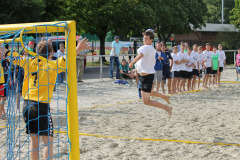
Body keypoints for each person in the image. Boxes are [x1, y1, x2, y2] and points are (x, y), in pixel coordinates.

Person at [3, 38, 89, 159]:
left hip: (26, 105)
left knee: (34, 141)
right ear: (52, 52)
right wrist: (77, 48)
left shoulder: (28, 61)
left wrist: (2, 47)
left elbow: (9, 54)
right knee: (48, 142)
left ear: (36, 52)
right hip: (41, 106)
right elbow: (68, 58)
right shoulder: (53, 65)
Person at [129, 30, 172, 118]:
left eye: (146, 38)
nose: (144, 40)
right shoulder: (151, 48)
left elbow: (140, 55)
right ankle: (165, 97)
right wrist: (135, 69)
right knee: (148, 93)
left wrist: (132, 62)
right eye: (144, 38)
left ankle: (167, 107)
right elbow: (143, 61)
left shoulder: (147, 48)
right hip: (144, 75)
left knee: (146, 101)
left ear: (151, 40)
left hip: (146, 76)